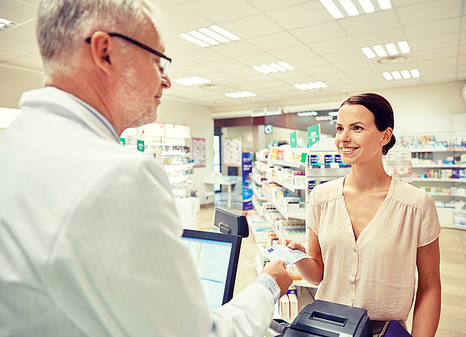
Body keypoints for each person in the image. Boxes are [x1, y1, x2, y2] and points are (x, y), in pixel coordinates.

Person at [0, 0, 292, 336]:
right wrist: (269, 285)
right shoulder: (118, 175)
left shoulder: (17, 144)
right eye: (158, 61)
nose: (166, 81)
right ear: (104, 52)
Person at [279, 93, 441, 337]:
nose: (344, 138)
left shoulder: (416, 204)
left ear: (385, 136)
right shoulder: (322, 197)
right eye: (339, 128)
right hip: (324, 328)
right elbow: (316, 275)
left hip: (382, 331)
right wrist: (298, 255)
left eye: (357, 128)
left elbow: (430, 286)